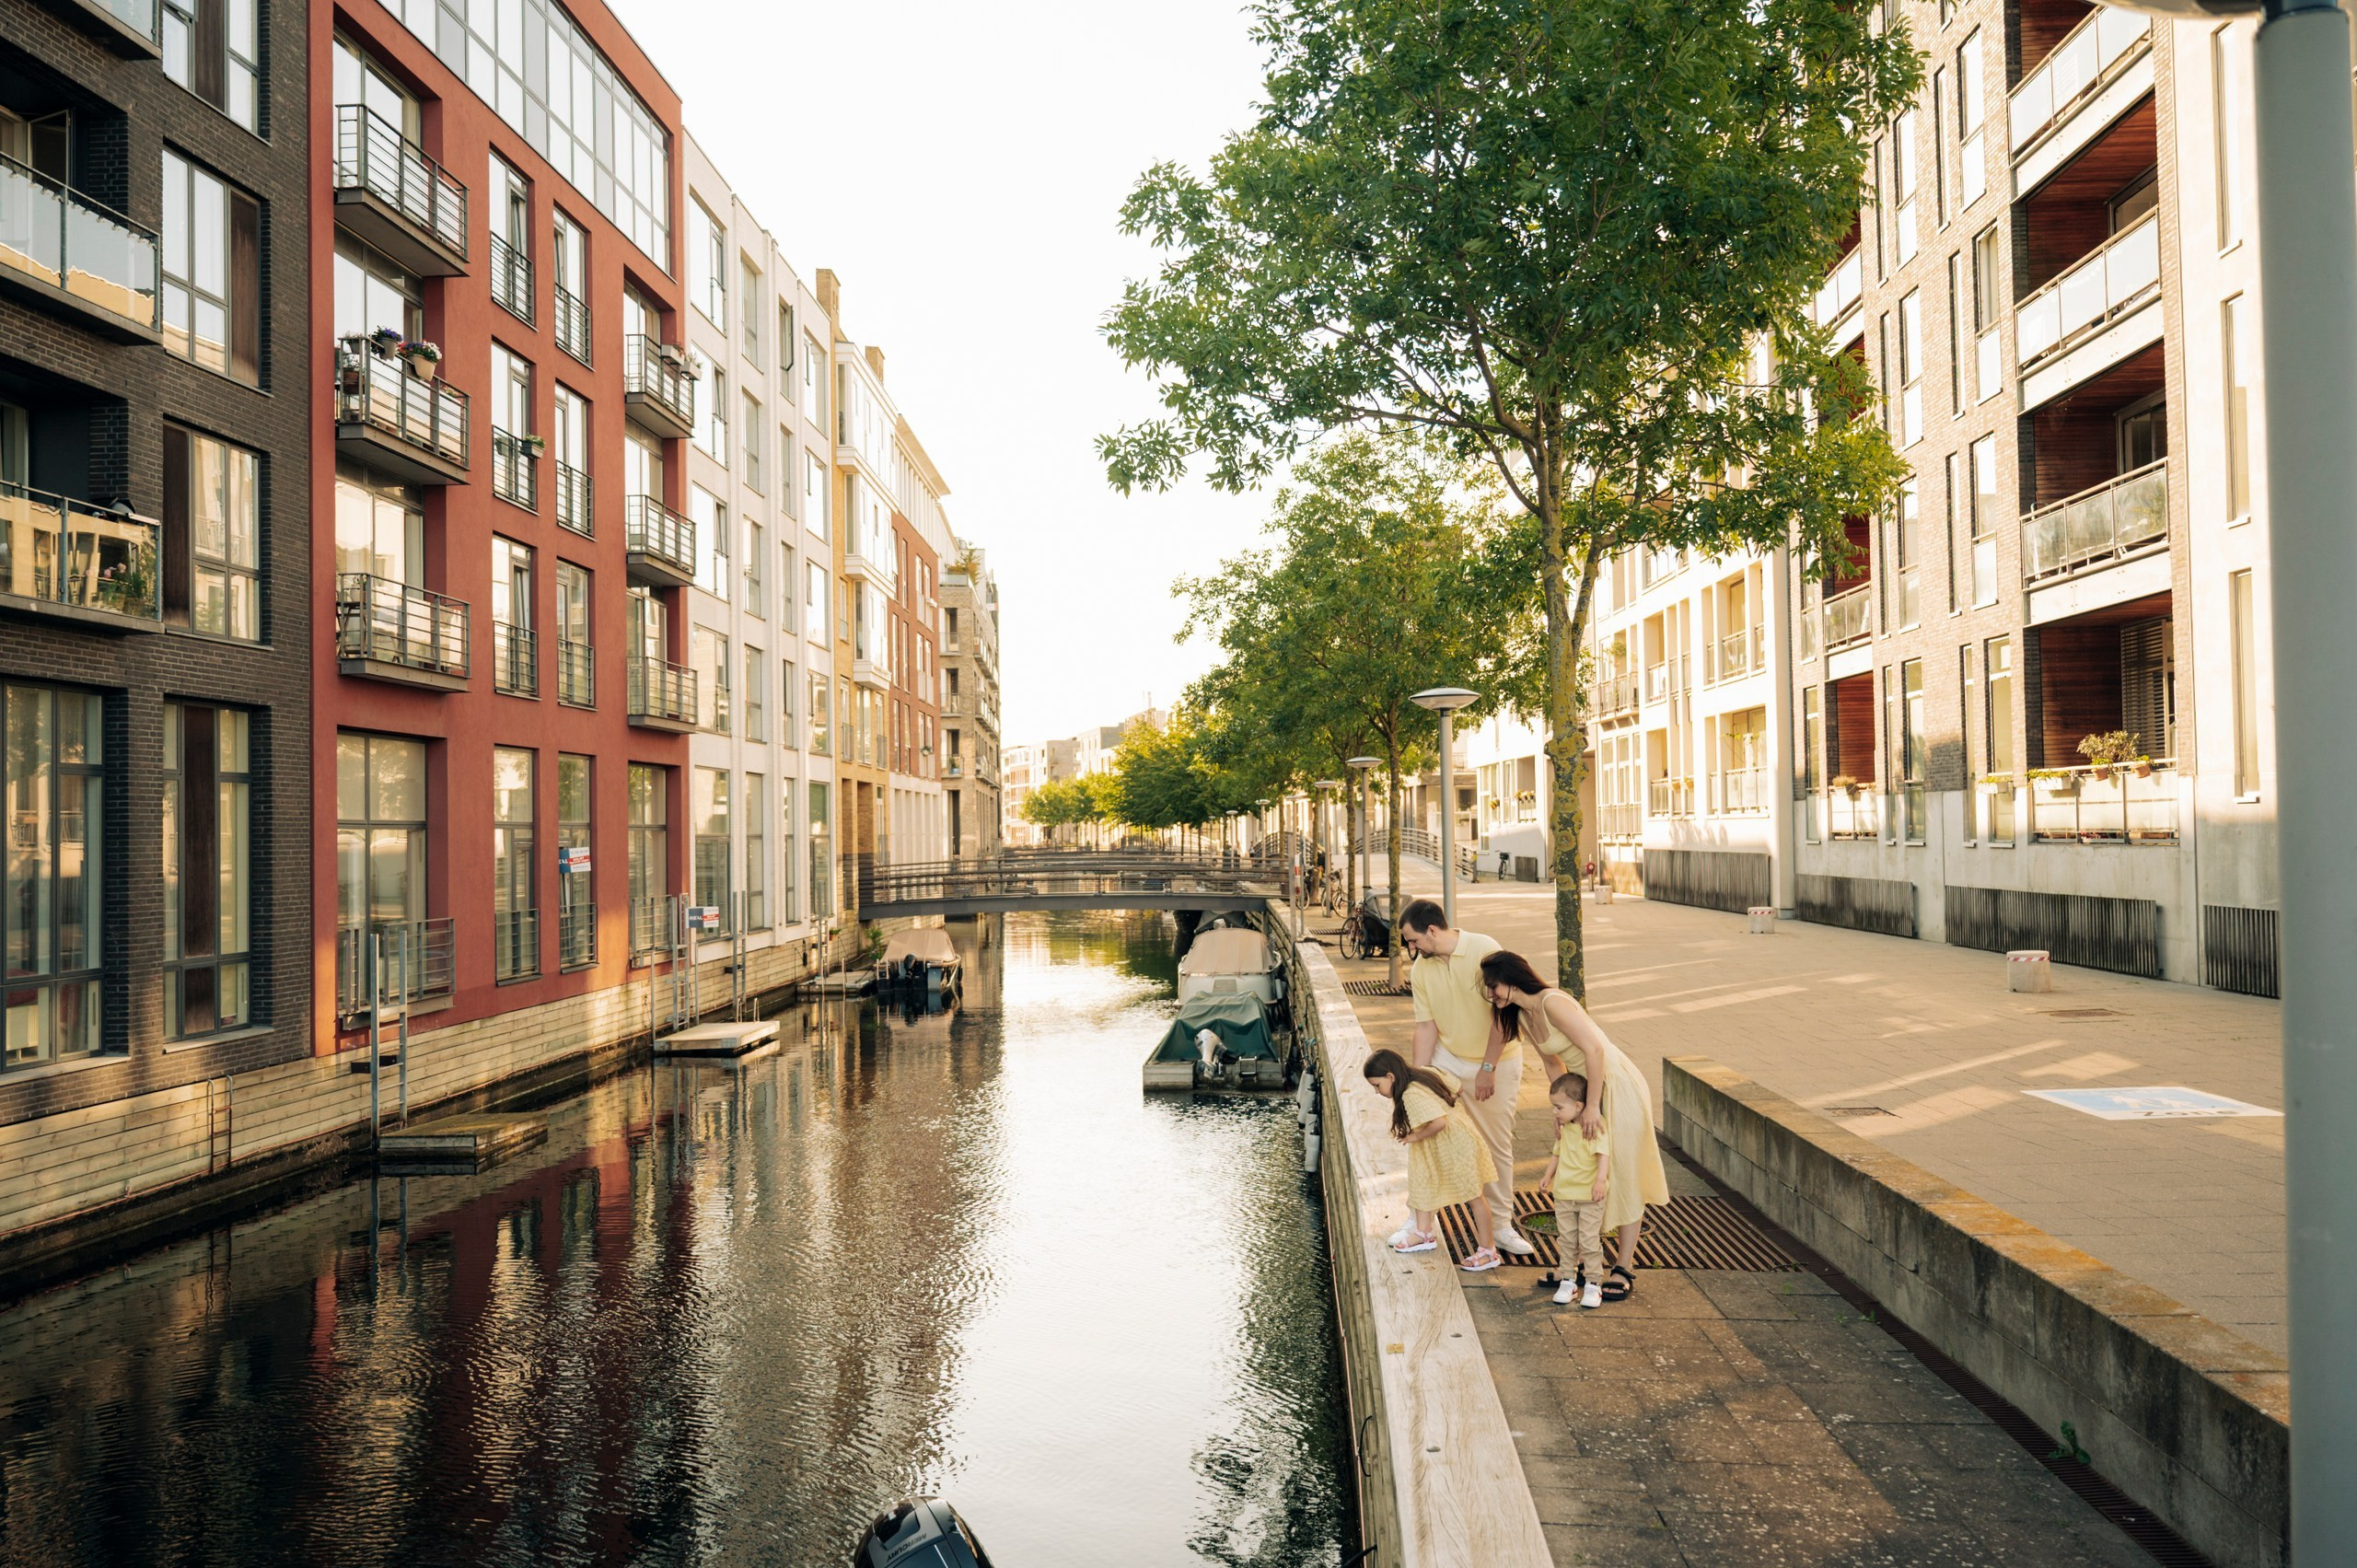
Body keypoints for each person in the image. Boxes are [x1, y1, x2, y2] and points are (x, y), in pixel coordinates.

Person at [1477, 948, 1670, 1302]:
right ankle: (1577, 1266)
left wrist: (1592, 1106)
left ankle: (1623, 1267)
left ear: (1511, 978)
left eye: (1494, 987)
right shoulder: (1523, 1015)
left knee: (1621, 1173)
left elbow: (1594, 1050)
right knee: (1579, 1170)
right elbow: (1552, 1064)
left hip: (1614, 1085)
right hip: (1583, 1093)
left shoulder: (1552, 1003)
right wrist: (1564, 1109)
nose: (1491, 995)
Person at [1398, 897, 1538, 1256]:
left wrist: (1488, 1068)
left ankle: (1502, 1226)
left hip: (1497, 1061)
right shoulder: (1421, 970)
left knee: (1495, 1143)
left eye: (1413, 940)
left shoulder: (1484, 949)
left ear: (1432, 930)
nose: (1410, 949)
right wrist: (1418, 1079)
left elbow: (1501, 1015)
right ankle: (1420, 1221)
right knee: (1427, 1134)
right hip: (1448, 1057)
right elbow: (1425, 1027)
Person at [1362, 1048, 1500, 1272]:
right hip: (1450, 1140)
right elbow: (1458, 1087)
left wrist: (1416, 1135)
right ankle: (1424, 1233)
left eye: (1377, 1085)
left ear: (1390, 1076)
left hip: (1456, 1145)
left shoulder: (1410, 1094)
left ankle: (1488, 1250)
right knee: (1423, 1181)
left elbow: (1439, 1122)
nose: (1377, 1092)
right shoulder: (1424, 1073)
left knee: (1474, 1195)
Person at [1538, 1070, 1610, 1308]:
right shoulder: (1565, 1128)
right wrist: (1548, 1175)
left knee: (1589, 1241)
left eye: (1559, 1107)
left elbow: (1603, 1154)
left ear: (1579, 1106)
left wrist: (1601, 1180)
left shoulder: (1595, 1127)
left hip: (1589, 1196)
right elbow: (1557, 1153)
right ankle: (1568, 1281)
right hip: (1564, 1195)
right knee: (1567, 1240)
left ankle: (1593, 1283)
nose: (1554, 1112)